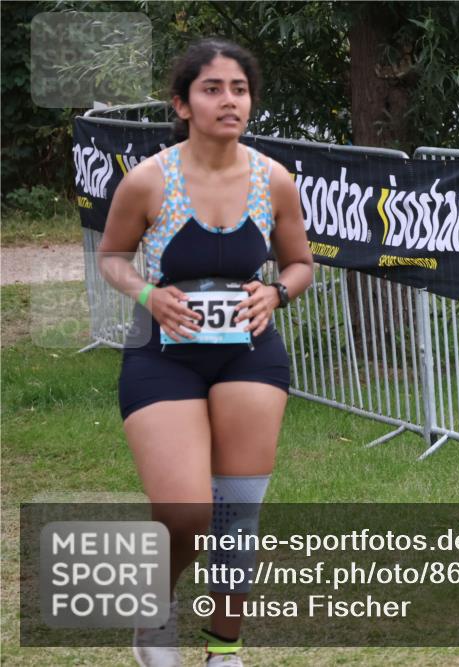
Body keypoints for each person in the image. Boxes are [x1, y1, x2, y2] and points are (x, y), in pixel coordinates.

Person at [98, 37, 313, 667]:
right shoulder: (149, 180)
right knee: (187, 512)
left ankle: (225, 649)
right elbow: (111, 257)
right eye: (212, 89)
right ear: (183, 104)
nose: (228, 100)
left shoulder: (273, 179)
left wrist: (276, 294)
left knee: (236, 512)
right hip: (163, 355)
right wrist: (147, 296)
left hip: (250, 355)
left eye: (239, 89)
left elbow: (301, 264)